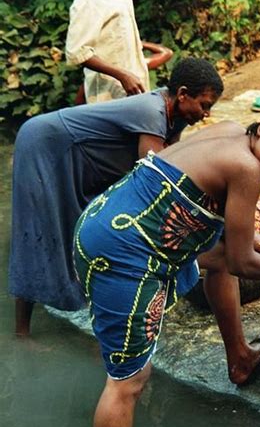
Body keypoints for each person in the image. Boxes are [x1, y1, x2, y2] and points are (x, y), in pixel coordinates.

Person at [73, 104, 260, 427]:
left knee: (219, 260)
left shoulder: (229, 130)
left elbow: (228, 241)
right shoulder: (246, 168)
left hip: (103, 223)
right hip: (124, 251)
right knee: (130, 380)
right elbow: (243, 262)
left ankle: (240, 359)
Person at [9, 58, 223, 336]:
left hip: (81, 158)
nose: (206, 113)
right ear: (183, 94)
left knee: (84, 228)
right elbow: (157, 180)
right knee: (38, 234)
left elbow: (177, 170)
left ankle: (91, 303)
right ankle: (21, 334)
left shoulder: (176, 117)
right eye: (204, 105)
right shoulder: (152, 111)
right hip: (45, 146)